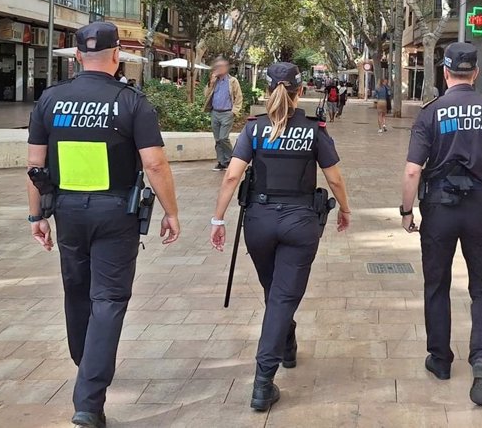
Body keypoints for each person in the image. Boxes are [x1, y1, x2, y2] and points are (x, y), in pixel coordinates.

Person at [26, 22, 180, 428]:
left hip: (68, 212)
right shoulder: (131, 102)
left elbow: (34, 167)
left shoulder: (50, 100)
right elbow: (155, 163)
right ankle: (89, 402)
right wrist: (171, 211)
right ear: (117, 56)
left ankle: (86, 365)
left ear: (77, 57)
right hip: (116, 214)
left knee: (77, 293)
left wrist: (36, 216)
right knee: (109, 300)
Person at [210, 62, 351, 412]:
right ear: (300, 91)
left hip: (258, 222)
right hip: (300, 223)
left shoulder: (254, 129)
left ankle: (286, 343)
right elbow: (334, 179)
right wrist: (346, 209)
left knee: (276, 292)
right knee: (282, 296)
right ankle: (263, 381)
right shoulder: (314, 129)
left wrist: (218, 219)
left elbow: (231, 177)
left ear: (269, 89)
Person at [400, 43, 482, 407]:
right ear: (475, 73)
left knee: (437, 284)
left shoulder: (431, 113)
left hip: (438, 209)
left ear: (445, 72)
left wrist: (407, 211)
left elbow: (412, 170)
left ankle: (440, 360)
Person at [204, 57, 243, 171]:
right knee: (217, 139)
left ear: (226, 68)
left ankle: (232, 159)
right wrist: (210, 83)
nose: (218, 68)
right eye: (217, 66)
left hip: (227, 113)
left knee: (223, 138)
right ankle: (221, 162)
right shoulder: (213, 81)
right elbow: (206, 95)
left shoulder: (232, 81)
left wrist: (234, 111)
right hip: (215, 112)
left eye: (221, 66)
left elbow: (239, 97)